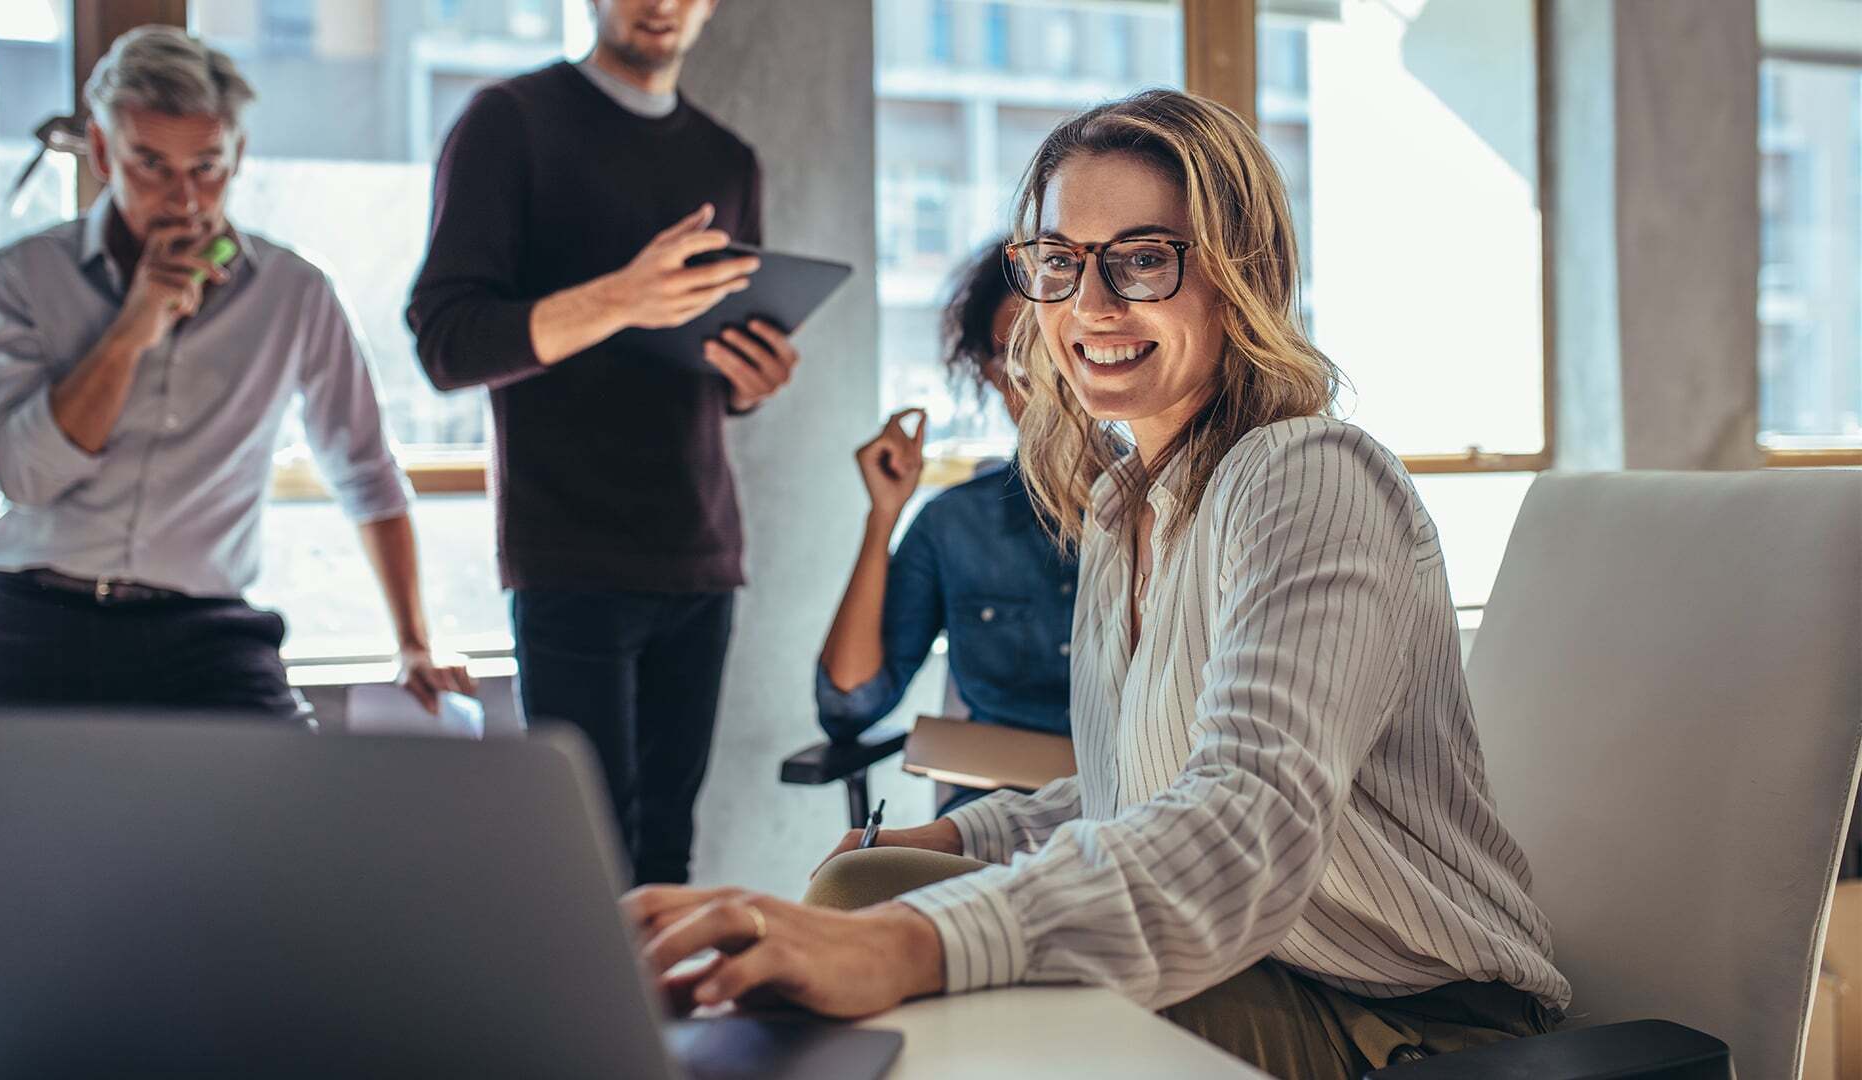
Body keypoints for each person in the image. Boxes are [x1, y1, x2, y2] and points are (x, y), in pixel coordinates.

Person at [622, 90, 1571, 1078]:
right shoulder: (1126, 505)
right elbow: (1136, 794)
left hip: (1402, 1019)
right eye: (1061, 262)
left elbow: (1242, 820)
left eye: (1144, 258)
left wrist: (911, 943)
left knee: (915, 962)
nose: (1091, 306)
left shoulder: (1311, 476)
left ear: (1243, 274)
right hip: (1262, 963)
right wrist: (958, 833)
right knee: (869, 881)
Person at [0, 26, 471, 718]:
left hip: (205, 628)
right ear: (105, 152)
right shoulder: (23, 275)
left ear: (239, 155)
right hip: (37, 614)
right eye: (151, 165)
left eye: (207, 167)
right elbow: (23, 478)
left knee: (284, 811)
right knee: (43, 826)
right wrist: (130, 331)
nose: (185, 199)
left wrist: (415, 643)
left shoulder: (296, 292)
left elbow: (365, 470)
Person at [407, 0, 799, 886]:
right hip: (569, 551)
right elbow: (446, 341)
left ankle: (661, 1031)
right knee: (584, 859)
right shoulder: (509, 122)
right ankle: (587, 1030)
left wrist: (750, 379)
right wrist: (621, 296)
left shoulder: (728, 158)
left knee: (666, 856)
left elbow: (710, 354)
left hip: (701, 550)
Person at [815, 239, 1075, 814]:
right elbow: (849, 704)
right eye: (1012, 363)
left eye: (1051, 354)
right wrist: (883, 515)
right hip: (989, 816)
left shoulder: (1166, 507)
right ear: (987, 376)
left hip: (1133, 816)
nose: (1037, 383)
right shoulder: (956, 524)